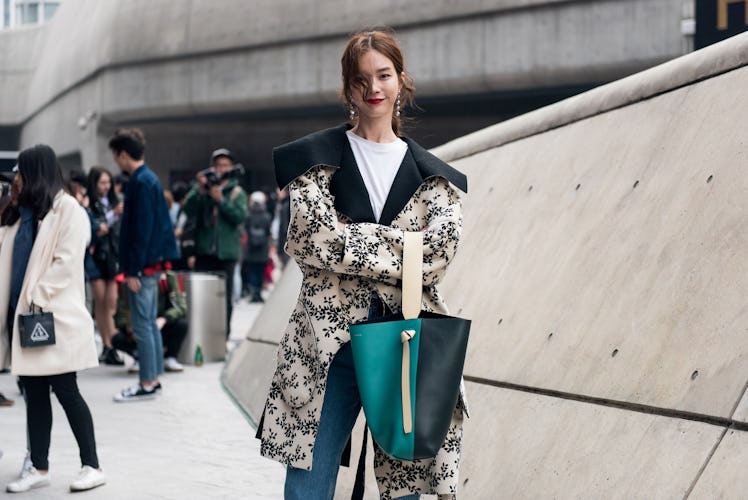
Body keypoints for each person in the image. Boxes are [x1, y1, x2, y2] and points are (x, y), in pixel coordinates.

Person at [256, 28, 468, 499]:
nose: (374, 88)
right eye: (361, 79)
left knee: (405, 486)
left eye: (384, 75)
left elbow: (437, 253)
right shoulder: (313, 160)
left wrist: (350, 242)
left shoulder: (434, 175)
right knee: (306, 484)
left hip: (406, 342)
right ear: (348, 88)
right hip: (326, 348)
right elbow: (315, 240)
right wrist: (402, 249)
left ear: (401, 80)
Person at [0, 145, 106, 493]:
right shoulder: (27, 212)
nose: (17, 177)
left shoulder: (68, 210)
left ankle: (92, 465)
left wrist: (33, 297)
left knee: (67, 391)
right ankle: (39, 466)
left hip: (52, 320)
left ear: (37, 171)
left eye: (21, 171)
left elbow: (65, 263)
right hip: (26, 322)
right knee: (34, 393)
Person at [109, 128, 178, 402]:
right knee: (148, 324)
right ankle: (153, 379)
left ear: (123, 154)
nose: (116, 161)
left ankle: (147, 382)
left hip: (143, 267)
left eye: (116, 156)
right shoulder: (147, 179)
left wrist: (133, 269)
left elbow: (142, 230)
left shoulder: (140, 181)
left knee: (143, 325)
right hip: (151, 264)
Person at [182, 149, 247, 338]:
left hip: (226, 253)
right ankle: (201, 335)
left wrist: (221, 200)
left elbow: (239, 217)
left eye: (225, 165)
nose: (221, 169)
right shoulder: (203, 188)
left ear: (231, 168)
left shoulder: (236, 192)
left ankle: (222, 337)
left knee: (224, 299)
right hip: (204, 252)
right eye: (218, 165)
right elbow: (188, 209)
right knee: (201, 296)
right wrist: (201, 191)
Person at [111, 270, 188, 373]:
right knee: (117, 338)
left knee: (181, 324)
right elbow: (121, 314)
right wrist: (129, 327)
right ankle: (139, 357)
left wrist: (164, 319)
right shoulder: (130, 282)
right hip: (137, 329)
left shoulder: (166, 278)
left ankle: (169, 358)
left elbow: (180, 306)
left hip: (160, 326)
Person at [86, 167, 124, 366]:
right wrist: (111, 216)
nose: (106, 186)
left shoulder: (116, 202)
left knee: (111, 302)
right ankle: (108, 345)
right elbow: (93, 228)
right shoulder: (89, 204)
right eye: (102, 182)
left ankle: (111, 344)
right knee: (100, 301)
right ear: (94, 183)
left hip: (113, 257)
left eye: (108, 182)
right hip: (95, 257)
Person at [241, 191, 272, 302]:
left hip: (251, 249)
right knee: (260, 271)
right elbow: (269, 233)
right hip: (263, 250)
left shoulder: (248, 216)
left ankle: (254, 293)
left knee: (252, 271)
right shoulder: (267, 217)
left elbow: (245, 231)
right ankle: (258, 293)